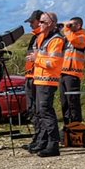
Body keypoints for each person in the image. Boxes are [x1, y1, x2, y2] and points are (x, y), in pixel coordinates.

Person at [28, 12, 65, 157]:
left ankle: (53, 144)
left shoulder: (56, 40)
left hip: (48, 80)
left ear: (51, 23)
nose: (39, 24)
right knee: (40, 111)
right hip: (39, 79)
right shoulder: (42, 38)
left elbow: (53, 63)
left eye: (42, 22)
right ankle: (44, 141)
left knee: (46, 110)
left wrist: (36, 59)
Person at [60, 16, 85, 126]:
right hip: (63, 73)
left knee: (73, 101)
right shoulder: (68, 37)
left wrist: (67, 28)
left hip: (73, 73)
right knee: (65, 103)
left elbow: (73, 40)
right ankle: (67, 126)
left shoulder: (82, 37)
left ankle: (76, 125)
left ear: (79, 25)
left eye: (72, 25)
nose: (69, 27)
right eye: (69, 24)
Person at [24, 10, 43, 125]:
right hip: (30, 75)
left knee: (39, 108)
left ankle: (41, 135)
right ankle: (38, 133)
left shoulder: (43, 36)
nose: (30, 24)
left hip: (37, 77)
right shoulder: (35, 36)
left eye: (32, 21)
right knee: (31, 107)